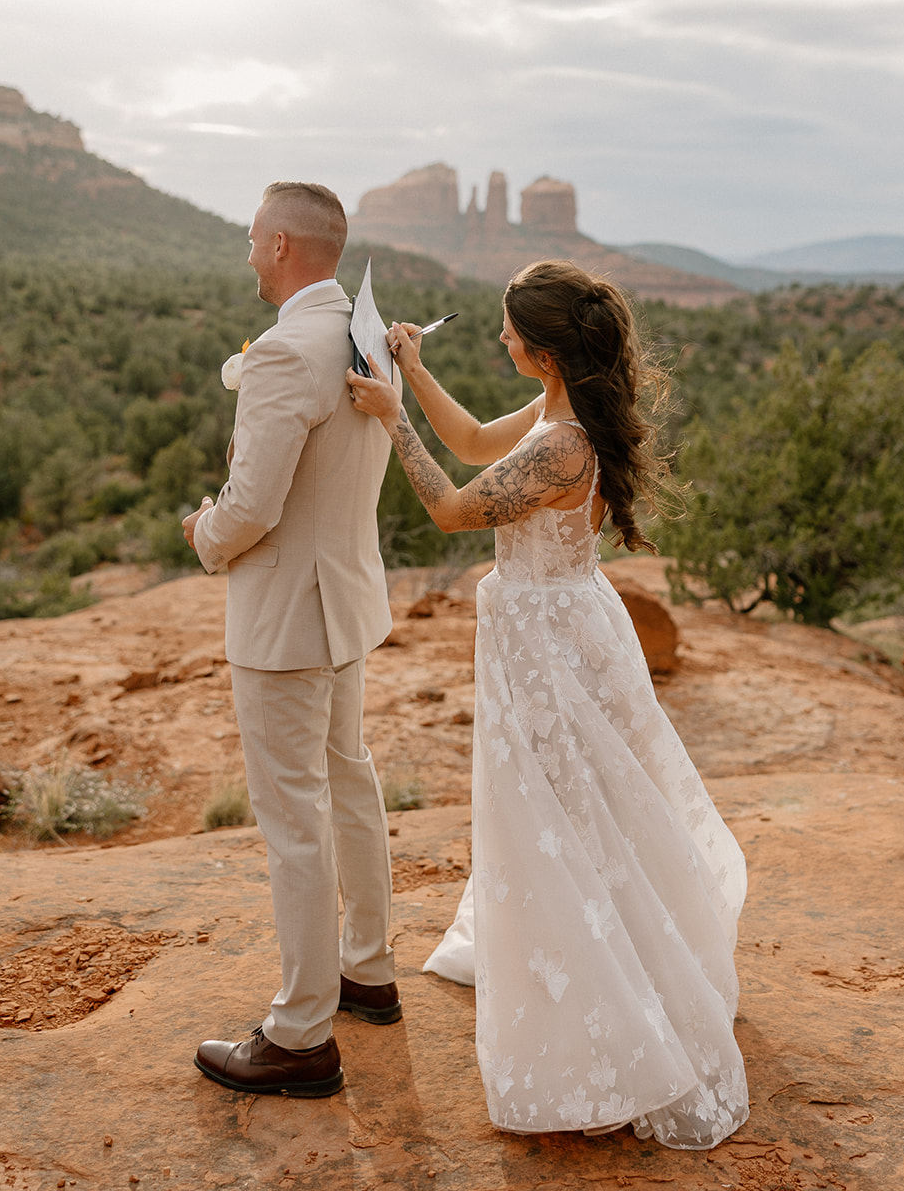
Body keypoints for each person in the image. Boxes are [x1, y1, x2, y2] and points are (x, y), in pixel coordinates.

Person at [346, 259, 749, 1146]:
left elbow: (454, 507)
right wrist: (411, 370)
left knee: (562, 799)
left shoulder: (562, 445)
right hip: (558, 622)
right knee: (578, 795)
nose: (497, 339)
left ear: (543, 350)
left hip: (546, 641)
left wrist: (390, 419)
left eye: (507, 331)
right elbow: (480, 445)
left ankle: (607, 983)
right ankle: (596, 943)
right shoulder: (559, 418)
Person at [183, 181, 401, 1101]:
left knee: (293, 821)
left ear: (279, 246)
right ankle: (368, 972)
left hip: (284, 621)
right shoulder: (367, 336)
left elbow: (253, 506)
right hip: (346, 605)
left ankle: (301, 1034)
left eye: (249, 237)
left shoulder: (282, 353)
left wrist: (201, 532)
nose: (244, 250)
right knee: (347, 781)